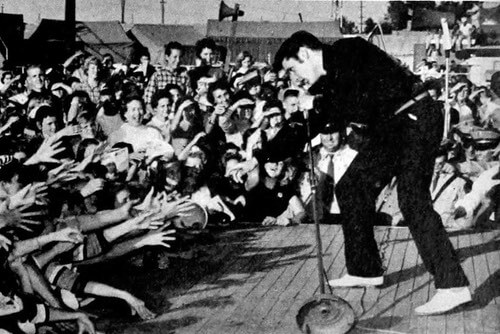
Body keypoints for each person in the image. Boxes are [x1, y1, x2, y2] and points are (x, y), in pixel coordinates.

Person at [274, 31, 470, 315]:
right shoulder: (329, 84)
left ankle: (453, 286)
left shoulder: (348, 51)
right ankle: (365, 270)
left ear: (304, 54)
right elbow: (319, 118)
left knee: (413, 202)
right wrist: (266, 154)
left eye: (293, 69)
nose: (296, 79)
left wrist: (315, 103)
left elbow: (359, 104)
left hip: (416, 118)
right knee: (352, 185)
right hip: (392, 128)